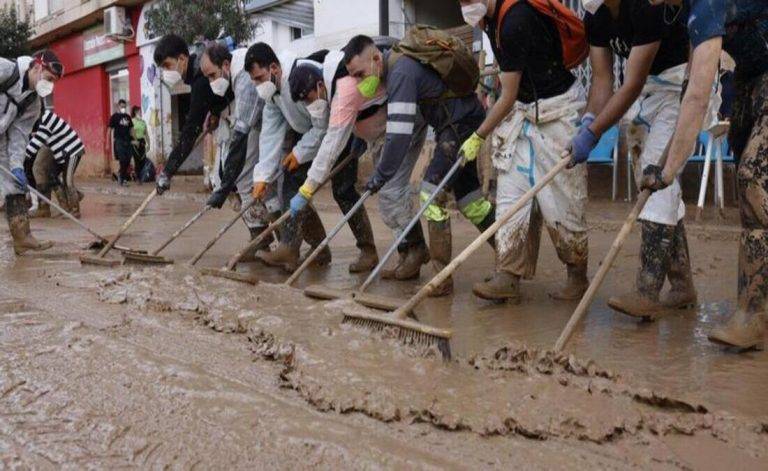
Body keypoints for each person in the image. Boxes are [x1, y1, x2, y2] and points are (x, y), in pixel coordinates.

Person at [641, 0, 768, 350]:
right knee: (753, 191)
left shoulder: (705, 5)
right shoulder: (687, 14)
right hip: (750, 78)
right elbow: (688, 88)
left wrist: (668, 173)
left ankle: (753, 315)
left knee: (752, 181)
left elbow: (699, 97)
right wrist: (665, 159)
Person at [568, 0, 694, 319]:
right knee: (654, 187)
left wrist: (594, 132)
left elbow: (632, 82)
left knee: (657, 183)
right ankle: (681, 285)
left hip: (680, 87)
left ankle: (647, 290)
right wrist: (588, 121)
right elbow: (601, 80)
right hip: (647, 95)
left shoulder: (645, 6)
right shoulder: (595, 16)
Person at [343, 34, 496, 296]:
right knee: (472, 202)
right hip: (457, 123)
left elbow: (399, 135)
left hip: (459, 125)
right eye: (354, 77)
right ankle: (511, 260)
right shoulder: (397, 69)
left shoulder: (400, 72)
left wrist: (380, 176)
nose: (359, 82)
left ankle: (441, 278)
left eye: (360, 74)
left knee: (430, 192)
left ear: (376, 59)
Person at [458, 0, 588, 303]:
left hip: (556, 111)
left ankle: (577, 275)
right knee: (509, 196)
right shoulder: (489, 21)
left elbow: (508, 93)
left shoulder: (516, 19)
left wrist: (478, 136)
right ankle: (508, 273)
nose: (465, 7)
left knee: (563, 201)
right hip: (523, 112)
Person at [285, 55, 383, 273]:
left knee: (345, 190)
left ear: (319, 85)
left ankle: (369, 251)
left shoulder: (340, 84)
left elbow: (332, 142)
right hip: (352, 127)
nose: (310, 105)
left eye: (309, 99)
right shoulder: (324, 87)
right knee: (342, 190)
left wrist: (308, 189)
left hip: (378, 122)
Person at [245, 43, 332, 273]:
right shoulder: (273, 95)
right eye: (254, 81)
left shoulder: (299, 77)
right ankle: (314, 249)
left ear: (274, 67)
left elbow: (322, 125)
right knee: (293, 186)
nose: (258, 85)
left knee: (343, 192)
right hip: (308, 137)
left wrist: (300, 152)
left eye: (260, 77)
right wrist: (262, 176)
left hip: (333, 132)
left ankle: (294, 249)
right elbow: (270, 135)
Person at [203, 44, 276, 259]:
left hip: (267, 128)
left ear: (225, 64)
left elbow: (242, 133)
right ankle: (263, 240)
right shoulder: (230, 73)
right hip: (260, 127)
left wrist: (226, 186)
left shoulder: (244, 77)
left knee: (261, 183)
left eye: (212, 75)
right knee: (245, 180)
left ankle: (283, 244)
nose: (211, 81)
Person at [153, 34, 234, 195]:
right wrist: (216, 112)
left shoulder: (200, 79)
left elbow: (191, 131)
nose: (166, 72)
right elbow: (218, 95)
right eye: (162, 68)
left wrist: (167, 172)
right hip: (230, 119)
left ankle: (265, 218)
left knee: (229, 180)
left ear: (182, 59)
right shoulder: (197, 73)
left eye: (167, 65)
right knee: (222, 180)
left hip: (242, 122)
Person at [0, 50, 63, 254]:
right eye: (49, 78)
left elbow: (19, 136)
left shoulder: (33, 104)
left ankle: (22, 237)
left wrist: (17, 166)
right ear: (37, 66)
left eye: (54, 81)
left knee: (14, 185)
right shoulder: (6, 70)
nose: (50, 85)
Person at [25, 110, 85, 218]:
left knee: (68, 181)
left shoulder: (47, 120)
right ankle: (65, 207)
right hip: (62, 152)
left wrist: (23, 156)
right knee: (52, 177)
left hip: (72, 151)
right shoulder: (43, 120)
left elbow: (36, 142)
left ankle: (75, 210)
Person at [108, 99, 133, 185]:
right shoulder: (114, 117)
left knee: (128, 160)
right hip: (119, 141)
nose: (123, 108)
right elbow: (109, 130)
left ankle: (120, 175)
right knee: (122, 160)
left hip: (128, 141)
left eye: (124, 107)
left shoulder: (128, 117)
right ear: (118, 106)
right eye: (122, 107)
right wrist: (108, 143)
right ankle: (123, 179)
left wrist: (135, 140)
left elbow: (131, 129)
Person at [131, 105, 148, 177]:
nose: (140, 113)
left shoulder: (143, 121)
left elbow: (146, 133)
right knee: (137, 159)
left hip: (142, 141)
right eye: (139, 111)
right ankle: (138, 177)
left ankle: (141, 175)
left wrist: (148, 143)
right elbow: (131, 131)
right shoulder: (132, 121)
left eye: (140, 111)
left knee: (143, 159)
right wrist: (135, 140)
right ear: (135, 112)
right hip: (135, 141)